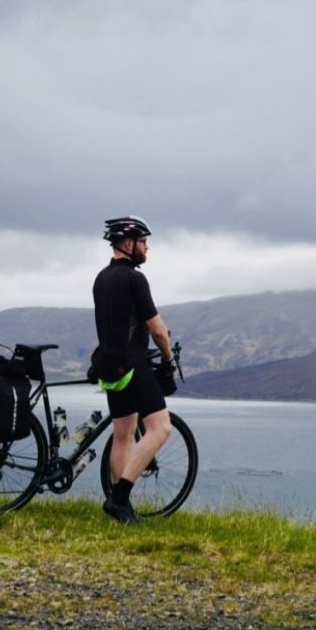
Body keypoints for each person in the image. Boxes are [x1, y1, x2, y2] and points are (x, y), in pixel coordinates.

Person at [91, 215, 174, 523]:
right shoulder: (134, 279)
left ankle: (117, 502)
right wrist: (167, 358)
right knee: (160, 428)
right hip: (133, 364)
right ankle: (121, 497)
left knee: (123, 434)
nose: (147, 248)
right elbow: (157, 329)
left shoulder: (101, 278)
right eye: (143, 242)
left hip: (109, 367)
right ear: (128, 243)